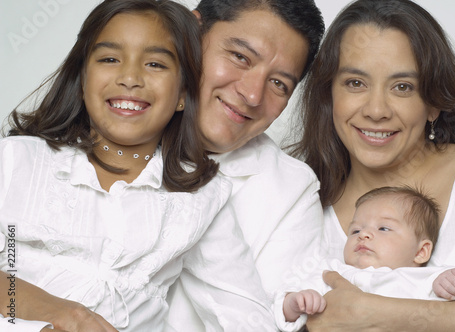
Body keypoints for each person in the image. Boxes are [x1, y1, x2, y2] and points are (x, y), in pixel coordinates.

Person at [0, 0, 275, 331]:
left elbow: (246, 315)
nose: (130, 77)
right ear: (83, 78)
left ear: (183, 94)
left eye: (156, 64)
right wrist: (62, 315)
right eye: (110, 59)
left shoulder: (199, 200)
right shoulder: (16, 161)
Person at [291, 0, 455, 330]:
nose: (376, 110)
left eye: (402, 87)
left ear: (433, 103)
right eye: (355, 83)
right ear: (328, 95)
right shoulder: (294, 199)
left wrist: (381, 313)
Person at [165, 0, 325, 330]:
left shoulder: (292, 191)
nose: (252, 95)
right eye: (240, 57)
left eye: (279, 84)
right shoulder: (115, 122)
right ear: (192, 32)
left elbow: (263, 321)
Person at [274, 186, 455, 331]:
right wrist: (294, 303)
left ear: (421, 252)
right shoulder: (331, 272)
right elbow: (288, 311)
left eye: (383, 228)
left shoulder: (427, 279)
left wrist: (450, 284)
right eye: (355, 230)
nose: (363, 235)